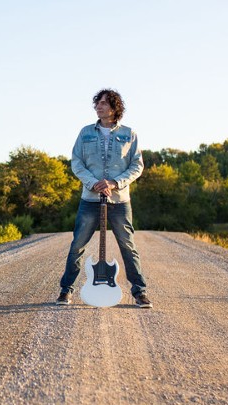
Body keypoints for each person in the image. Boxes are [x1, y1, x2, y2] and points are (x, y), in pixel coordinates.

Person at [56, 88, 152, 308]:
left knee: (128, 246)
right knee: (78, 245)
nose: (98, 106)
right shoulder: (85, 133)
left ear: (114, 107)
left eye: (103, 103)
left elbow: (137, 165)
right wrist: (93, 183)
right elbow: (76, 162)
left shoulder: (129, 134)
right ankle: (65, 290)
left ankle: (140, 292)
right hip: (90, 199)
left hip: (119, 201)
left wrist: (114, 183)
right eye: (97, 103)